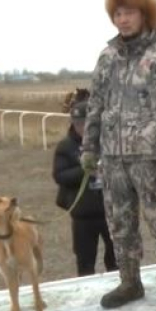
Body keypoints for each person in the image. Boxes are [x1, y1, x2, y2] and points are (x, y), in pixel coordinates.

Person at [82, 0, 156, 311]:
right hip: (112, 159)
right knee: (119, 224)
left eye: (129, 11)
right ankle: (130, 281)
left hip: (153, 158)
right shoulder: (107, 57)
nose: (123, 19)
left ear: (144, 13)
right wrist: (89, 147)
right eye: (117, 13)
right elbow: (96, 104)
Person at [53, 98, 118, 277]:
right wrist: (85, 170)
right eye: (77, 123)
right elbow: (59, 176)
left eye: (85, 124)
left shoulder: (109, 143)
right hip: (83, 214)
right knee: (85, 262)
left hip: (110, 211)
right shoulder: (65, 146)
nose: (81, 128)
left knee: (116, 259)